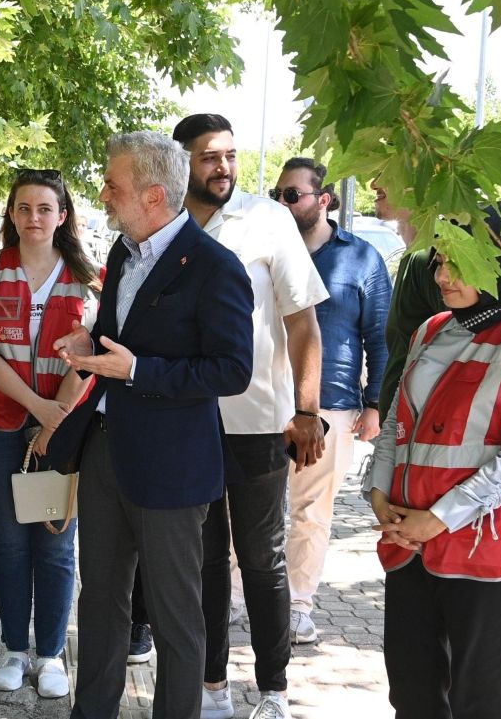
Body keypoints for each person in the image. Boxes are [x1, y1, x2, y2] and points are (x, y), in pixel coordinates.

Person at [43, 131, 252, 719]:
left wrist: (137, 369)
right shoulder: (122, 251)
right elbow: (120, 335)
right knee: (100, 604)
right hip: (105, 451)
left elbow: (232, 370)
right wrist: (89, 342)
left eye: (114, 185)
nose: (103, 194)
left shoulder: (215, 267)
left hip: (173, 468)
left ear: (154, 195)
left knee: (175, 618)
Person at [171, 114, 328, 719]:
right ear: (182, 161)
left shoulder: (267, 219)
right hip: (187, 422)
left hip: (261, 423)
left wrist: (307, 410)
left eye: (231, 155)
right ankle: (213, 688)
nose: (224, 167)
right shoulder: (165, 222)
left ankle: (273, 692)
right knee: (205, 562)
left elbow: (302, 320)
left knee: (262, 561)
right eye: (209, 156)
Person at [364, 208, 501, 719]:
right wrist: (379, 493)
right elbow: (396, 422)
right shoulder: (429, 330)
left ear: (498, 263)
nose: (442, 276)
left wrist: (438, 518)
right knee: (412, 694)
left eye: (458, 263)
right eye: (439, 261)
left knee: (482, 700)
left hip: (483, 553)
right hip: (408, 544)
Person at [0, 167, 96, 700]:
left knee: (56, 544)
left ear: (61, 216)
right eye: (24, 208)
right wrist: (36, 407)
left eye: (45, 208)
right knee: (10, 543)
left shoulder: (86, 277)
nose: (34, 217)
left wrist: (53, 417)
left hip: (62, 430)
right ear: (11, 215)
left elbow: (89, 356)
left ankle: (50, 655)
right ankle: (14, 650)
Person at [273, 158, 391, 645]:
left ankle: (298, 605)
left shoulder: (362, 259)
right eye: (277, 195)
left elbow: (380, 336)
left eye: (292, 195)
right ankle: (237, 597)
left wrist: (375, 403)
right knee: (248, 508)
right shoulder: (267, 250)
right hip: (264, 401)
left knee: (311, 512)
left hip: (331, 406)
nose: (282, 203)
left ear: (323, 200)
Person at [373, 175, 446, 420]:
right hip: (402, 425)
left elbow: (458, 341)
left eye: (388, 174)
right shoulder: (414, 255)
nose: (373, 184)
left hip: (421, 424)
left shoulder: (431, 258)